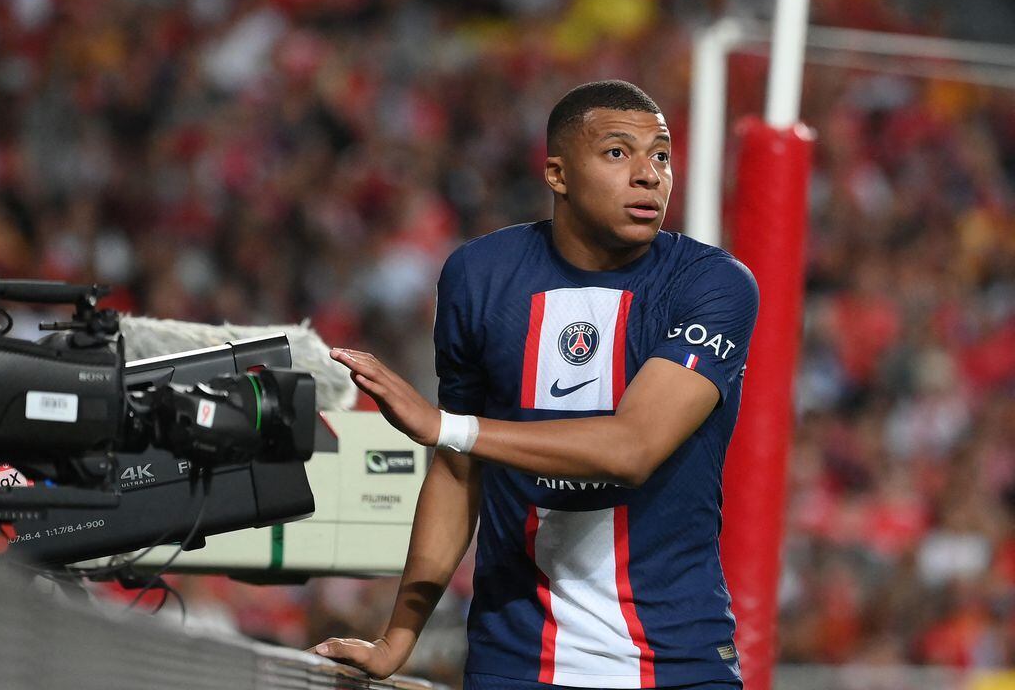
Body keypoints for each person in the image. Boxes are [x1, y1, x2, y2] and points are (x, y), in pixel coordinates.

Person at [310, 80, 758, 690]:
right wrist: (398, 639)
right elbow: (456, 470)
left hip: (678, 660)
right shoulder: (479, 276)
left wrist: (447, 427)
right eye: (618, 153)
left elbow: (632, 449)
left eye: (661, 154)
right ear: (557, 174)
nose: (650, 175)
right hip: (516, 661)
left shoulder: (713, 285)